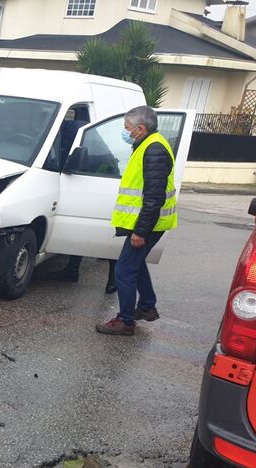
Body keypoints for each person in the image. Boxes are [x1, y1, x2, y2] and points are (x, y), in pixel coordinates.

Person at [96, 105, 177, 336]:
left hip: (148, 224)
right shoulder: (148, 144)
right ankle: (147, 307)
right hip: (148, 223)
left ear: (140, 128)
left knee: (123, 270)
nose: (125, 132)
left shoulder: (154, 150)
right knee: (136, 264)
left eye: (127, 128)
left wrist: (140, 231)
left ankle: (126, 321)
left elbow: (154, 196)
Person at [48, 109, 118, 295]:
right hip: (87, 177)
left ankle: (114, 279)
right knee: (80, 228)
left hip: (102, 178)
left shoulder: (72, 130)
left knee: (110, 232)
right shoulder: (69, 128)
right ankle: (72, 269)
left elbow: (68, 157)